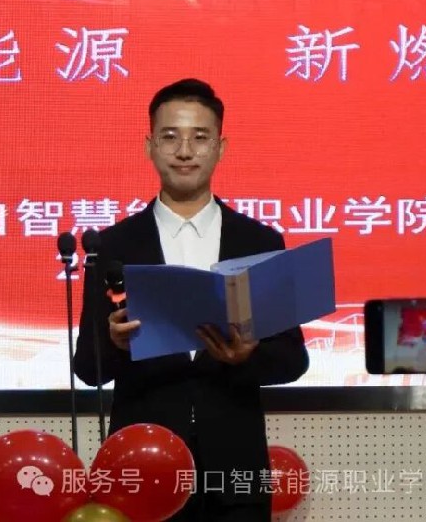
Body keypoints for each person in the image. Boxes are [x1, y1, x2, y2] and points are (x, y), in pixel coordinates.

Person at [74, 79, 310, 521]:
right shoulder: (113, 246)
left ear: (220, 148)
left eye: (200, 137)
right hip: (143, 470)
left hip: (234, 471)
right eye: (170, 137)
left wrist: (247, 356)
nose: (185, 151)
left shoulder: (258, 241)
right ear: (149, 147)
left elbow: (293, 360)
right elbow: (87, 368)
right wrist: (116, 344)